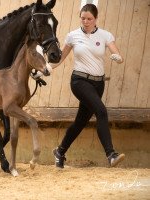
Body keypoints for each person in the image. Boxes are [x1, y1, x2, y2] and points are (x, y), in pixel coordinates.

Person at [51, 4, 125, 168]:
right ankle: (111, 154)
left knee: (80, 122)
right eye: (83, 18)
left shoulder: (105, 35)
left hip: (98, 84)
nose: (85, 21)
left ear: (96, 19)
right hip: (79, 81)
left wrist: (117, 57)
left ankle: (60, 151)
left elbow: (117, 53)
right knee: (101, 111)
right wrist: (47, 68)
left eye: (89, 19)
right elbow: (60, 58)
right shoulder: (73, 36)